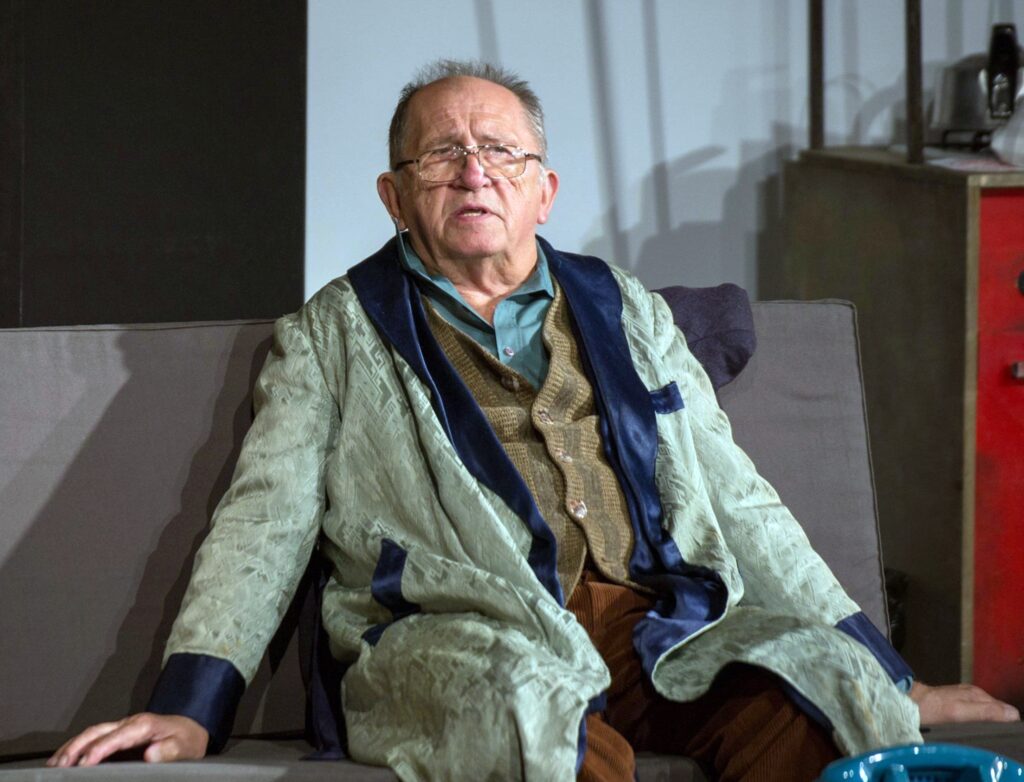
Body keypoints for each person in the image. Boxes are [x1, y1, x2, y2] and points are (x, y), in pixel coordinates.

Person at [49, 60, 1018, 781]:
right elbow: (264, 521)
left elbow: (739, 499)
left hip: (660, 622)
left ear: (543, 191)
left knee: (813, 690)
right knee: (525, 710)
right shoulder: (330, 336)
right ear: (395, 197)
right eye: (442, 153)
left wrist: (885, 672)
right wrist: (193, 705)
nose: (474, 171)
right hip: (464, 630)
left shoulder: (627, 310)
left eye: (502, 151)